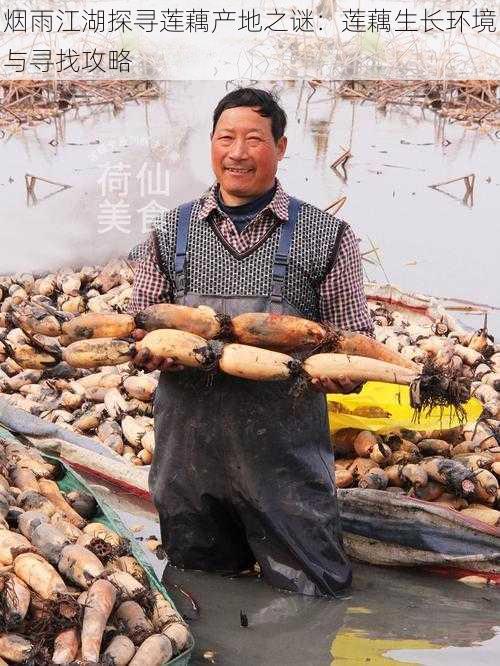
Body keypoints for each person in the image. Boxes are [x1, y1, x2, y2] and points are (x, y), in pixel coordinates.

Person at [129, 87, 374, 597]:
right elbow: (141, 329)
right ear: (211, 145)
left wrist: (343, 373)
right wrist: (150, 349)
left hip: (285, 463)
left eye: (254, 139)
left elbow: (356, 346)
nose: (237, 152)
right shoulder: (168, 231)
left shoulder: (328, 236)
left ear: (281, 147)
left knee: (314, 592)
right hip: (189, 464)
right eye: (226, 138)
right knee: (198, 588)